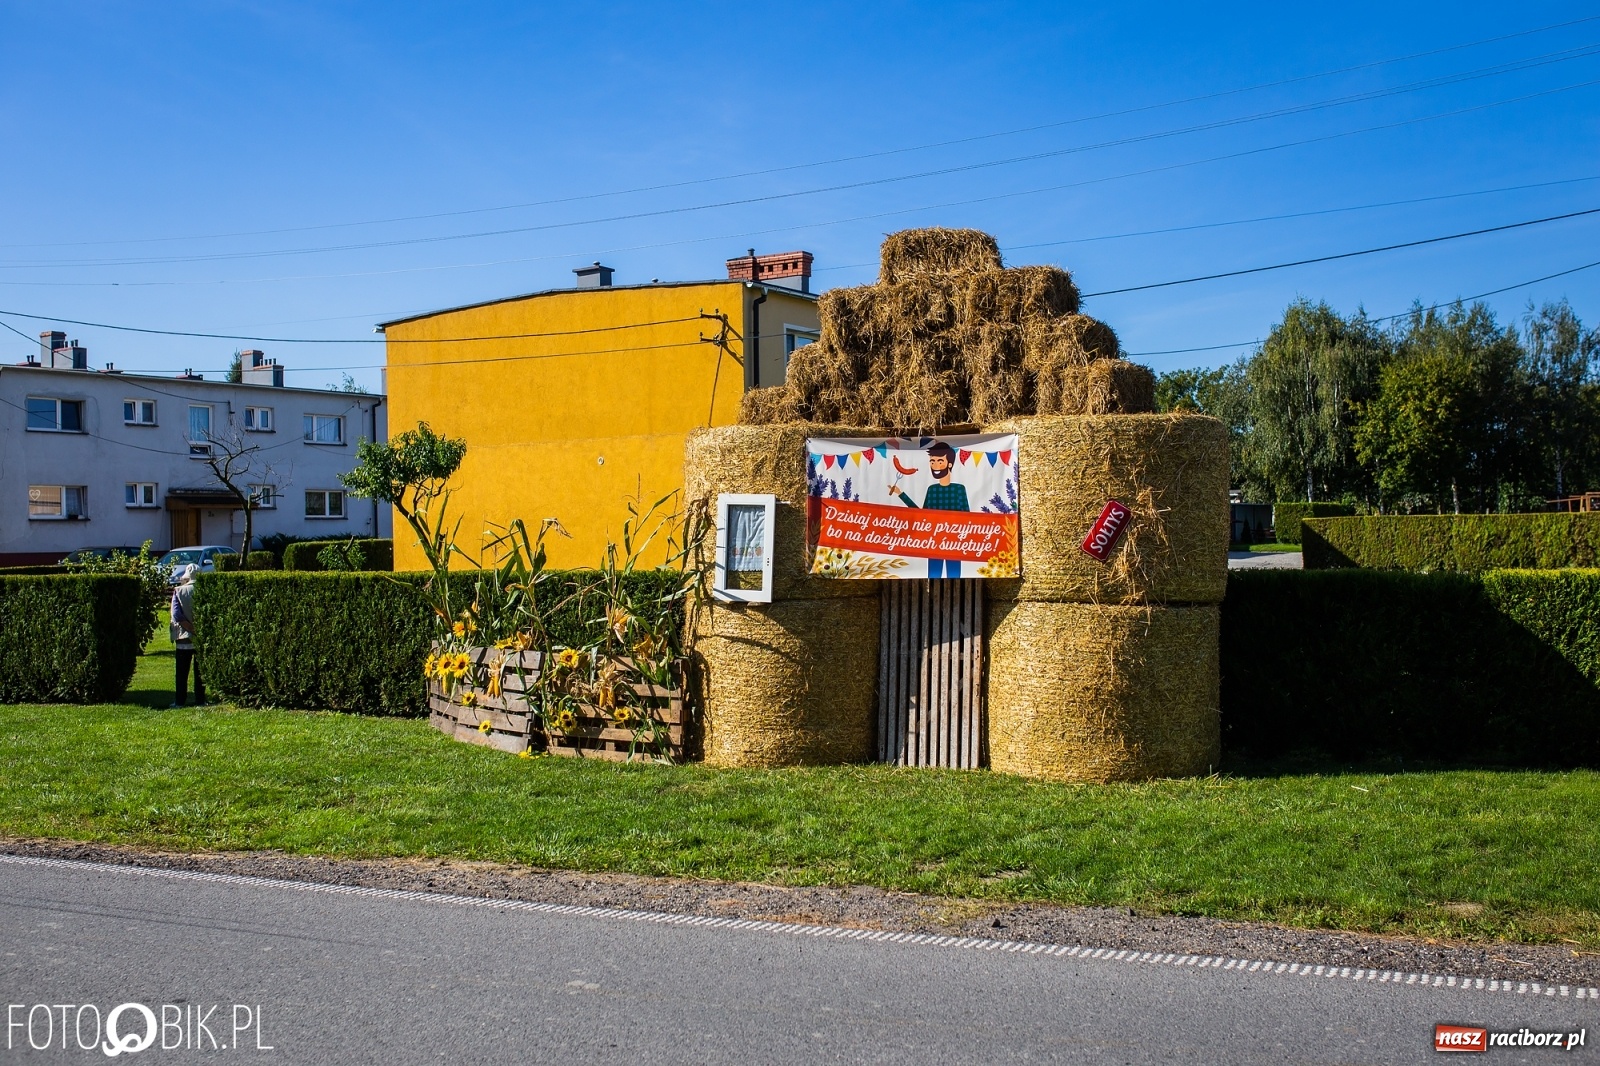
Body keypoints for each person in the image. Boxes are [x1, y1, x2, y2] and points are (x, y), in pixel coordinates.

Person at [889, 440, 970, 578]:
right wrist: (900, 493)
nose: (935, 465)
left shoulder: (959, 489)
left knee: (955, 575)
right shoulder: (932, 490)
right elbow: (921, 514)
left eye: (940, 461)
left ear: (949, 464)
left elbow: (968, 518)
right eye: (932, 461)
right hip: (933, 541)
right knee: (934, 575)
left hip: (954, 541)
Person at [170, 563, 206, 707]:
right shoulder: (205, 590)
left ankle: (179, 701)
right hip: (201, 636)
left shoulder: (179, 591)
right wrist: (198, 629)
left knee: (182, 673)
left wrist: (190, 628)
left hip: (183, 636)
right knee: (200, 672)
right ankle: (200, 700)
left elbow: (176, 615)